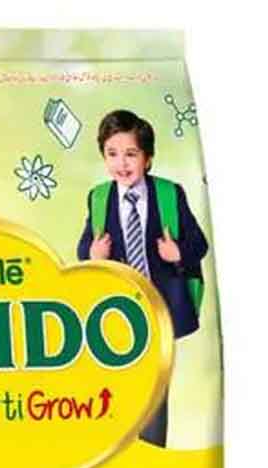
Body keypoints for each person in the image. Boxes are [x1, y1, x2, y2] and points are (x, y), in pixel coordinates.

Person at [77, 109, 209, 447]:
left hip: (161, 306)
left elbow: (199, 244)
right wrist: (93, 254)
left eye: (131, 154)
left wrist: (178, 253)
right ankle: (122, 448)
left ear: (147, 159)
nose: (121, 163)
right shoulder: (99, 198)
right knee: (122, 382)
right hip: (118, 308)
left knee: (153, 382)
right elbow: (84, 248)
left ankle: (150, 452)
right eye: (112, 154)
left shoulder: (169, 194)